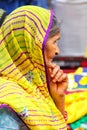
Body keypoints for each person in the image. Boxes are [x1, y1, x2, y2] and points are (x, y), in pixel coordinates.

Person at [0, 5, 68, 130]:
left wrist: (58, 98)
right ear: (34, 44)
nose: (57, 51)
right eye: (54, 42)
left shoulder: (32, 87)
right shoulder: (8, 97)